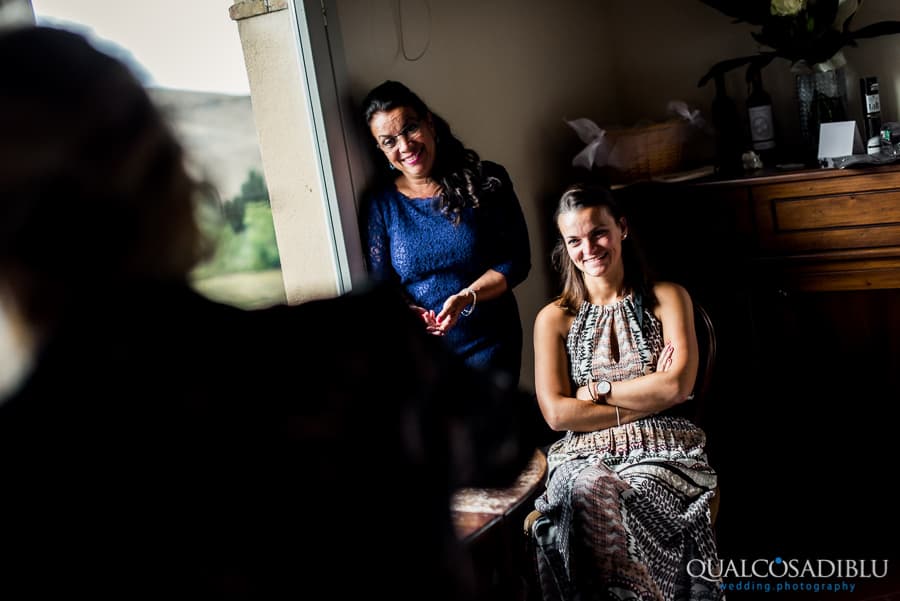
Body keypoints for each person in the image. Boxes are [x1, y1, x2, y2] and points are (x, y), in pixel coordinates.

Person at [0, 26, 538, 599]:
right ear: (177, 181)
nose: (402, 144)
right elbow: (507, 443)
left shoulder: (26, 471)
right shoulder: (355, 352)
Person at [530, 183, 723, 600]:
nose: (590, 248)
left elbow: (677, 385)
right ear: (565, 248)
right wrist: (650, 396)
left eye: (599, 232)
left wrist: (594, 390)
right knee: (587, 489)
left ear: (622, 229)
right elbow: (557, 415)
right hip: (580, 455)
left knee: (624, 501)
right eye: (575, 240)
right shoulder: (554, 319)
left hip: (664, 451)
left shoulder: (667, 297)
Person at [361, 80, 531, 387]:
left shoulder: (486, 179)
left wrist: (467, 297)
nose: (405, 146)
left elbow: (517, 260)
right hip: (424, 356)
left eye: (410, 128)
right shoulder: (381, 204)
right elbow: (382, 286)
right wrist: (407, 312)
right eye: (389, 141)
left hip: (490, 343)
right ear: (381, 150)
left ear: (429, 123)